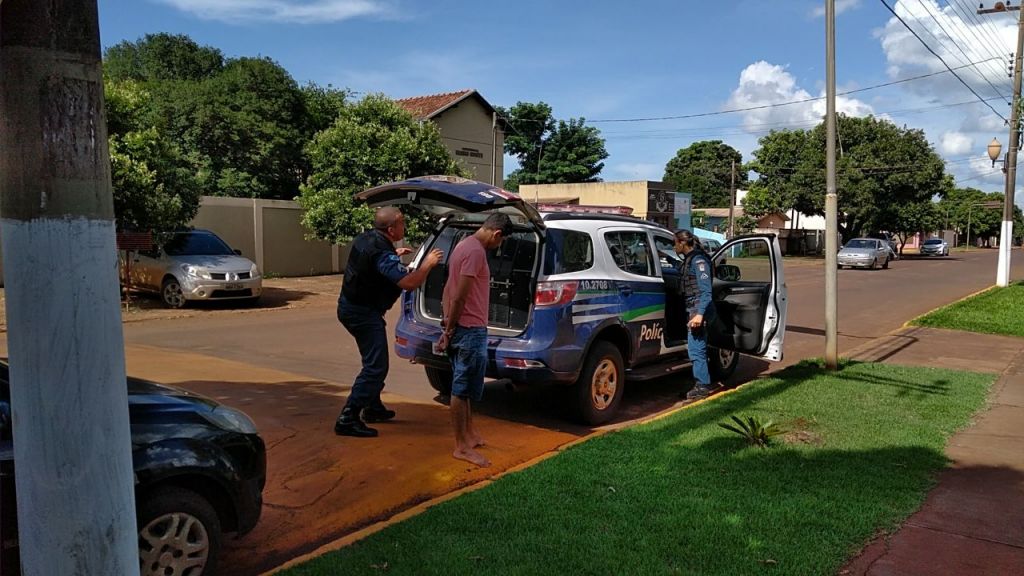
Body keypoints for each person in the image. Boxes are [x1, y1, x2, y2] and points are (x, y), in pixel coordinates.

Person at [334, 207, 443, 438]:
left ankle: (372, 408)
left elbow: (376, 261)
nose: (405, 227)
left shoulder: (368, 238)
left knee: (373, 361)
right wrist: (428, 264)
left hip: (352, 308)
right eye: (402, 223)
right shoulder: (381, 252)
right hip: (362, 313)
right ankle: (348, 418)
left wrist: (395, 255)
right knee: (376, 365)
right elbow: (409, 283)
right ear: (391, 228)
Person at [439, 213, 513, 467]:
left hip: (464, 327)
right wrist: (449, 329)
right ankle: (461, 446)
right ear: (497, 234)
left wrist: (446, 324)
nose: (498, 246)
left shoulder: (462, 245)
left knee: (468, 385)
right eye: (500, 242)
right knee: (461, 388)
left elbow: (448, 287)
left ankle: (469, 435)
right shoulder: (476, 252)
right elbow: (459, 295)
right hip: (467, 329)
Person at [674, 229, 719, 401]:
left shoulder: (699, 261)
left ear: (682, 243)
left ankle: (702, 386)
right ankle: (700, 382)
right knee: (697, 348)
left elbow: (706, 292)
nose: (674, 246)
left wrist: (699, 315)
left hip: (699, 309)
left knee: (696, 349)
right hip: (693, 308)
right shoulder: (689, 259)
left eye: (674, 243)